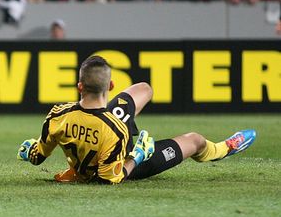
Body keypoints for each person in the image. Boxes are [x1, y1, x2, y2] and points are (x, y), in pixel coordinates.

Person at [17, 55, 256, 184]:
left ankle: (114, 118)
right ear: (110, 85)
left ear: (79, 86)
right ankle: (223, 148)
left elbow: (38, 156)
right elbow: (110, 177)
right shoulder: (117, 130)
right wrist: (138, 155)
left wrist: (29, 151)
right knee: (194, 140)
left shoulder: (58, 115)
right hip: (122, 160)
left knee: (143, 89)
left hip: (102, 128)